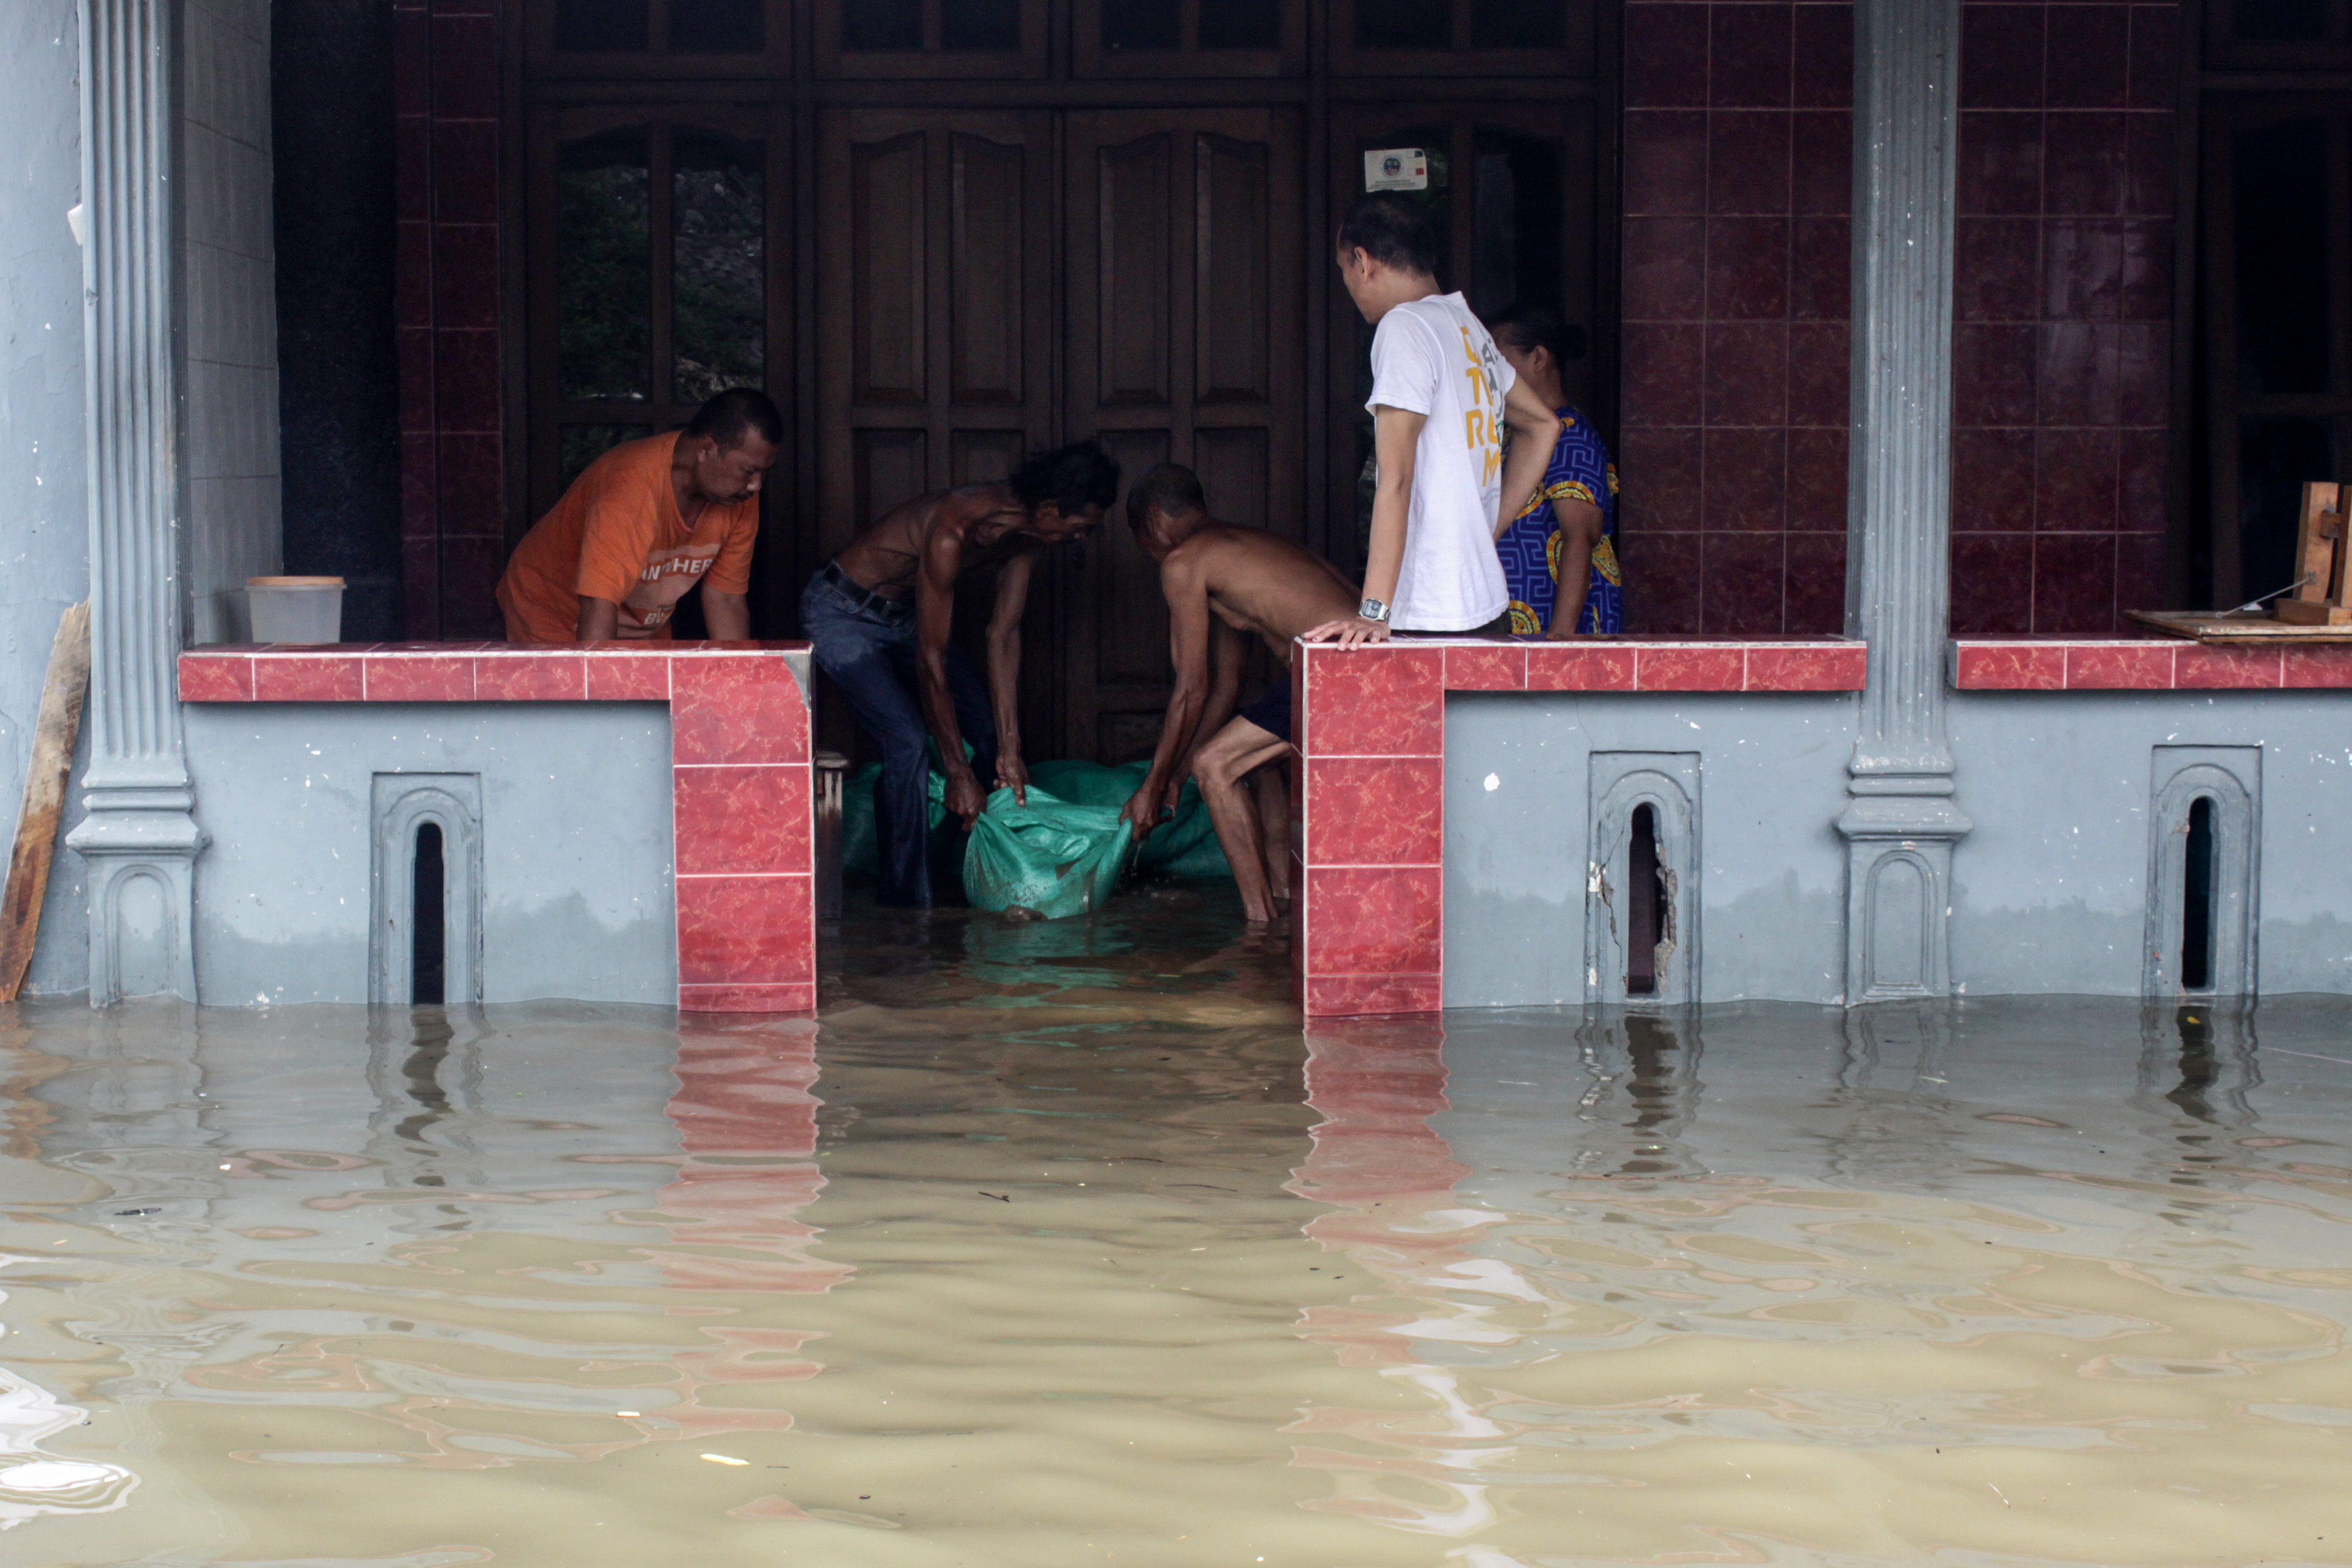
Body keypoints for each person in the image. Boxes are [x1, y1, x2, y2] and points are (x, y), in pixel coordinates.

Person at [803, 443, 1120, 908]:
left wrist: (1010, 750)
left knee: (987, 733)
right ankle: (908, 904)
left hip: (903, 616)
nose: (1081, 538)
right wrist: (956, 772)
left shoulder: (1029, 536)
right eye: (1080, 528)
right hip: (843, 612)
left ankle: (977, 867)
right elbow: (931, 662)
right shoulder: (953, 530)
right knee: (907, 742)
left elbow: (1003, 635)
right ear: (1051, 509)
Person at [1306, 193, 1558, 648]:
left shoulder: (1403, 328)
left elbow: (1396, 478)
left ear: (1362, 261)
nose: (1347, 282)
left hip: (1433, 611)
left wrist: (1373, 611)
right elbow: (1543, 425)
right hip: (1485, 601)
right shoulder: (1466, 325)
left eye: (1343, 267)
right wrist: (1485, 530)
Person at [1118, 463, 1362, 924]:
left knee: (1216, 767)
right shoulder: (1240, 552)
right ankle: (1281, 895)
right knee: (1256, 762)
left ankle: (1258, 925)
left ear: (1152, 521)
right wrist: (1174, 774)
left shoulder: (1184, 562)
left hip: (1340, 667)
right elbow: (1226, 684)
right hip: (1361, 661)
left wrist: (1151, 787)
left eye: (1141, 541)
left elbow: (1191, 689)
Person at [497, 387, 781, 643]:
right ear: (706, 449)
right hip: (557, 612)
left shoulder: (737, 497)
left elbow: (726, 599)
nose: (756, 486)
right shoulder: (631, 486)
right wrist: (599, 696)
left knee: (648, 698)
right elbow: (598, 605)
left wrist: (742, 689)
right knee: (582, 695)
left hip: (637, 621)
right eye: (749, 471)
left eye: (763, 473)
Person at [1486, 303, 1622, 637]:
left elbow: (1580, 539)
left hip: (1553, 630)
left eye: (1495, 359)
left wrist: (1561, 641)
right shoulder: (1510, 433)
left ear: (1538, 358)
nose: (1486, 372)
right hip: (1518, 627)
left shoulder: (1569, 434)